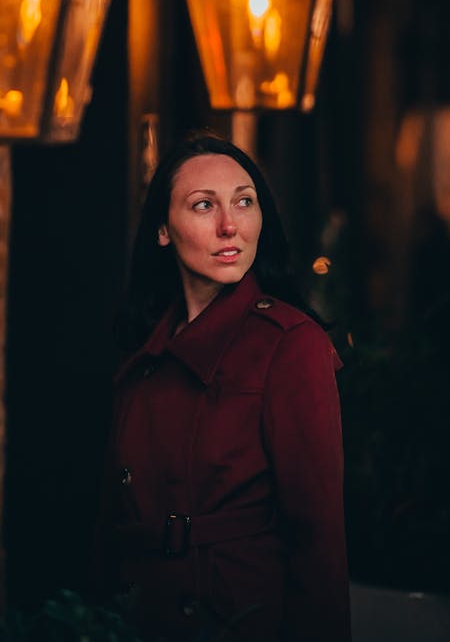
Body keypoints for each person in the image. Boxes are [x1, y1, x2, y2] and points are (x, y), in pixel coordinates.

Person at [94, 128, 352, 641]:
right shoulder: (144, 350)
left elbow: (317, 539)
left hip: (238, 615)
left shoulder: (290, 344)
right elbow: (107, 530)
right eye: (203, 205)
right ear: (164, 229)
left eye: (244, 202)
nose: (230, 225)